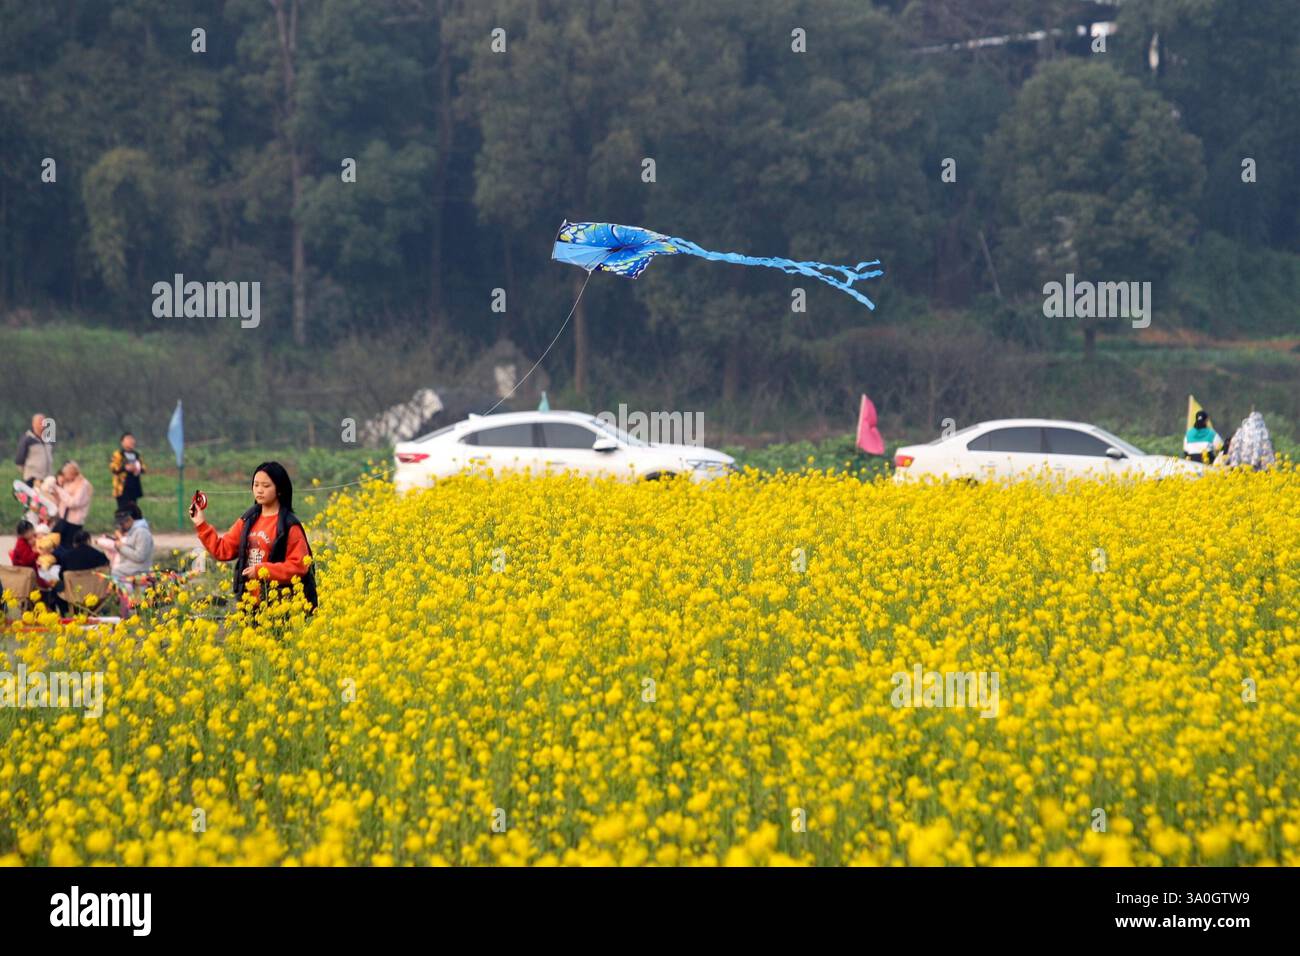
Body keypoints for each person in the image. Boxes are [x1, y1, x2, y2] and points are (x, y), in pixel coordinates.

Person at [191, 461, 318, 610]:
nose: (259, 490)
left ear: (280, 490)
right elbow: (222, 549)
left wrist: (261, 571)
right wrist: (200, 523)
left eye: (266, 486)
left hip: (280, 606)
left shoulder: (289, 525)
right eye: (256, 485)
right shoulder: (248, 520)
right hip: (248, 605)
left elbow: (299, 566)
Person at [51, 461, 93, 542]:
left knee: (68, 547)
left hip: (73, 523)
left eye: (65, 473)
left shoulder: (83, 484)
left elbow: (73, 503)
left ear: (71, 472)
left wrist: (59, 490)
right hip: (63, 520)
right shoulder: (68, 482)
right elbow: (62, 499)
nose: (64, 476)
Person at [111, 505, 154, 580]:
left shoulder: (142, 532)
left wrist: (121, 547)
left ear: (130, 519)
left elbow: (140, 556)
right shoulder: (133, 532)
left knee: (116, 572)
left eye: (122, 523)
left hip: (139, 570)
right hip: (132, 568)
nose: (121, 526)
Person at [109, 432, 147, 512]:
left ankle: (133, 523)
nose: (131, 441)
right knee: (123, 510)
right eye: (128, 439)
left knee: (133, 509)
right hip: (122, 488)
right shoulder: (118, 454)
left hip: (134, 486)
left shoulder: (136, 455)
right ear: (122, 442)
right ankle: (121, 523)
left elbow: (144, 467)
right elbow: (113, 468)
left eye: (132, 439)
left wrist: (138, 468)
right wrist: (125, 467)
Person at [14, 413, 53, 485]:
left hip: (47, 478)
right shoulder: (27, 439)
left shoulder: (48, 439)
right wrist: (29, 473)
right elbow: (19, 460)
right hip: (32, 479)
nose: (42, 423)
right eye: (40, 422)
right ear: (33, 424)